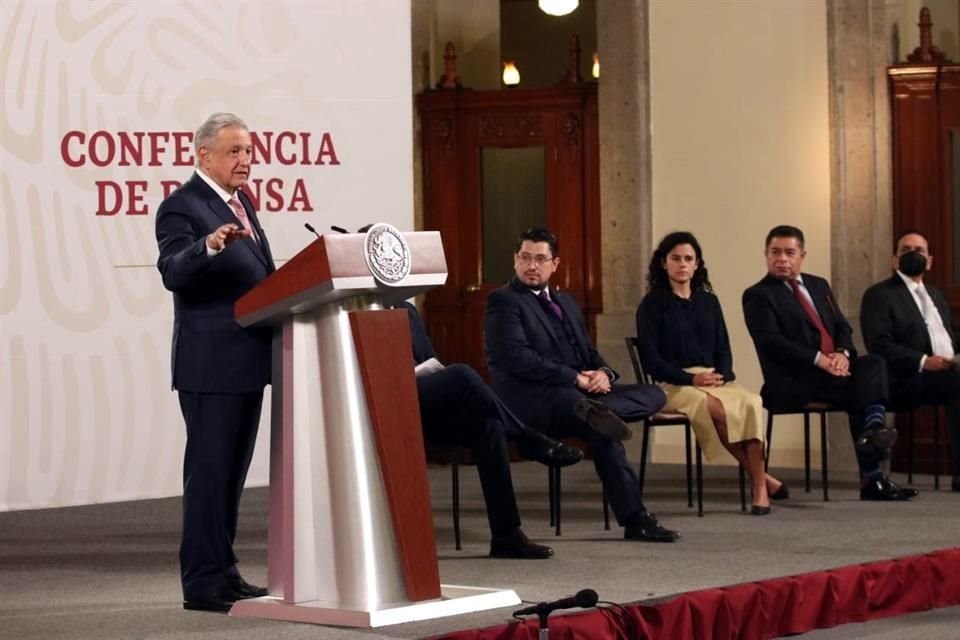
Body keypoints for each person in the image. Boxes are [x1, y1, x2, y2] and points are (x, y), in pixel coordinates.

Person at [484, 227, 678, 542]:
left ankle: (598, 412)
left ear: (555, 264)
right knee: (598, 423)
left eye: (540, 259)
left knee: (653, 393)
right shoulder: (503, 301)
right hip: (535, 399)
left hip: (581, 395)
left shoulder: (567, 302)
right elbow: (519, 360)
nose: (532, 265)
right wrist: (575, 378)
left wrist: (603, 373)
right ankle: (636, 519)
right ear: (515, 260)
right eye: (525, 258)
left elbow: (589, 353)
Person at [156, 113, 274, 612]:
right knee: (207, 474)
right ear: (203, 154)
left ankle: (224, 571)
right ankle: (201, 581)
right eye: (234, 151)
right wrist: (207, 245)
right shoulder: (181, 207)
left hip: (248, 360)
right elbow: (172, 270)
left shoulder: (242, 201)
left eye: (248, 150)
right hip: (210, 365)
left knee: (231, 474)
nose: (245, 160)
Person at [742, 225, 918, 501]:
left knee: (872, 363)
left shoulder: (818, 285)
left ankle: (873, 429)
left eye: (790, 252)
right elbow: (772, 343)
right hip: (793, 380)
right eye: (775, 252)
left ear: (802, 255)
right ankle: (872, 472)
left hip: (832, 372)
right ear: (766, 255)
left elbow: (842, 328)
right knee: (863, 389)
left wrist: (842, 354)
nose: (782, 259)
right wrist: (820, 360)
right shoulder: (758, 295)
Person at [398, 301, 583, 559]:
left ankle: (506, 535)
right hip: (388, 402)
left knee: (490, 425)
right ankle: (526, 437)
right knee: (462, 373)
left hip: (422, 402)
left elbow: (431, 361)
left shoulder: (406, 309)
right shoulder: (351, 307)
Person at [636, 232, 787, 515]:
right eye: (675, 258)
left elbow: (723, 349)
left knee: (751, 402)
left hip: (713, 379)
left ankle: (760, 481)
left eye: (688, 259)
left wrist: (722, 374)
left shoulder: (709, 302)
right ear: (663, 263)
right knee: (715, 408)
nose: (682, 264)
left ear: (697, 264)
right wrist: (692, 379)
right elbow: (652, 362)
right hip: (674, 385)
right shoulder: (651, 305)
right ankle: (760, 482)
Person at [860, 231, 960, 492]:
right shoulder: (879, 295)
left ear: (930, 261)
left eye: (919, 250)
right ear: (895, 260)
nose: (913, 254)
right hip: (903, 379)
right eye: (906, 250)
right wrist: (924, 361)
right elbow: (879, 345)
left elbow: (949, 338)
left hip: (946, 373)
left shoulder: (936, 295)